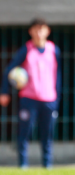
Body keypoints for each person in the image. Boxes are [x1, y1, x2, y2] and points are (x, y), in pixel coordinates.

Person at [0, 18, 61, 169]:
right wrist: (4, 91)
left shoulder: (54, 50)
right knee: (25, 133)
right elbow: (9, 70)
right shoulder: (26, 50)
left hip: (49, 99)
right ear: (30, 32)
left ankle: (47, 165)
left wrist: (57, 97)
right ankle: (23, 165)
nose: (39, 32)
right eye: (36, 29)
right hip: (29, 98)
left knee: (47, 135)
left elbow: (57, 75)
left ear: (48, 31)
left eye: (42, 29)